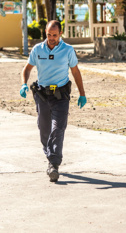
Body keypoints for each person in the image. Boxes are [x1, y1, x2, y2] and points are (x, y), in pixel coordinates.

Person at [20, 20, 87, 182]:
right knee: (44, 130)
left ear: (60, 34)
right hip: (42, 96)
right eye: (49, 34)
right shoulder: (38, 49)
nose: (51, 38)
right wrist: (23, 84)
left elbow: (76, 72)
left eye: (54, 35)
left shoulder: (67, 50)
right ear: (46, 33)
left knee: (58, 128)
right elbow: (27, 69)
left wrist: (82, 94)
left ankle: (54, 164)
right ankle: (51, 157)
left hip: (61, 96)